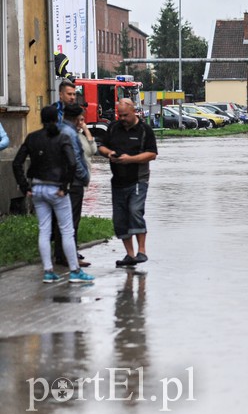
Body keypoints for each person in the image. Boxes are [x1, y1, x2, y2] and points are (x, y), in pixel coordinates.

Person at [12, 106, 94, 284]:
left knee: (44, 229)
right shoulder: (62, 137)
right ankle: (75, 270)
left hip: (37, 188)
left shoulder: (32, 138)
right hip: (56, 188)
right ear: (57, 119)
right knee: (67, 230)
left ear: (41, 119)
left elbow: (17, 163)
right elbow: (72, 163)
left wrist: (25, 186)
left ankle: (48, 271)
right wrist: (65, 186)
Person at [97, 98, 158, 268]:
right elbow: (101, 147)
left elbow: (152, 154)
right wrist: (109, 154)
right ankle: (130, 255)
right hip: (117, 181)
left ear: (133, 112)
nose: (122, 118)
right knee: (119, 219)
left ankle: (142, 251)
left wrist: (130, 159)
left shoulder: (145, 130)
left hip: (139, 179)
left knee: (134, 210)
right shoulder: (113, 127)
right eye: (120, 115)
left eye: (125, 115)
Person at [53, 104, 92, 268]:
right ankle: (70, 257)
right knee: (72, 221)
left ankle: (60, 255)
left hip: (59, 179)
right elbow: (75, 158)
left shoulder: (59, 129)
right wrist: (85, 177)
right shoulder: (70, 133)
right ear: (77, 118)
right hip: (74, 182)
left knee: (61, 220)